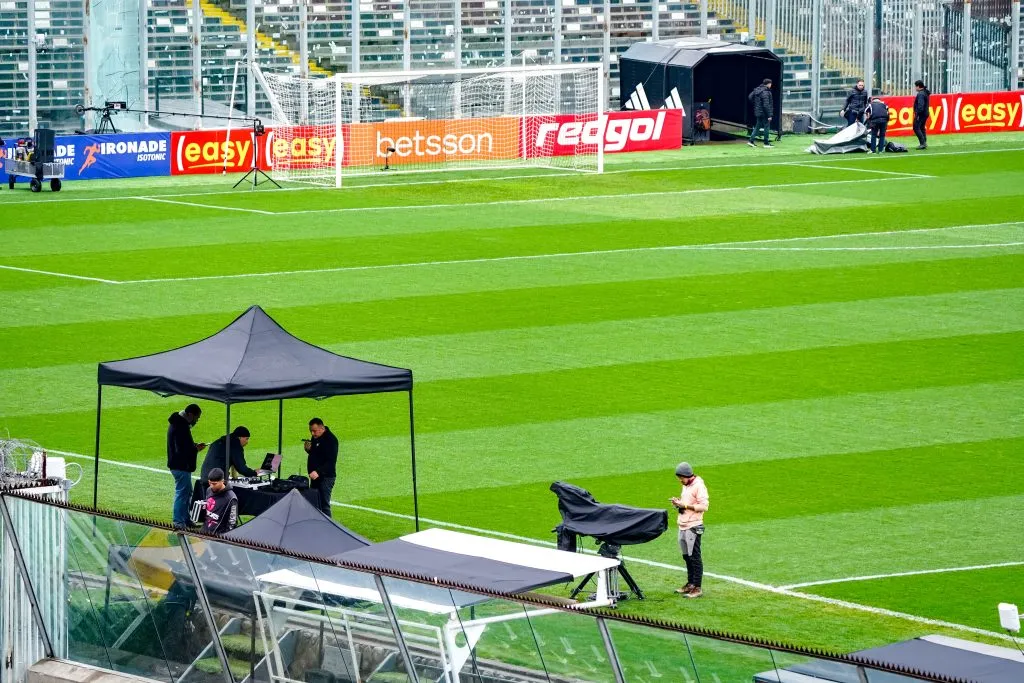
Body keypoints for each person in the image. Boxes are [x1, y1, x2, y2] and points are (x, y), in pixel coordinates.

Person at [670, 462, 709, 598]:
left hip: (693, 526)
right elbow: (686, 503)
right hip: (683, 524)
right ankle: (690, 584)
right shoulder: (686, 486)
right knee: (687, 557)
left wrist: (685, 505)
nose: (680, 480)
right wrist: (678, 503)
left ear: (686, 475)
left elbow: (704, 506)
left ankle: (697, 587)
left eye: (681, 477)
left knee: (695, 557)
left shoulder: (699, 486)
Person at [167, 404, 207, 529]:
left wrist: (194, 446)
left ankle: (185, 519)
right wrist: (195, 448)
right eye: (197, 417)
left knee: (186, 492)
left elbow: (181, 445)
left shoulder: (177, 424)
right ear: (190, 415)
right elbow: (182, 449)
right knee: (182, 493)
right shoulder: (181, 427)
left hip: (178, 465)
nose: (197, 421)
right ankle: (179, 522)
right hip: (180, 466)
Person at [304, 417, 339, 516]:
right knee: (314, 503)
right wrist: (309, 450)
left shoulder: (331, 440)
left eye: (314, 431)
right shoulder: (315, 437)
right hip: (315, 477)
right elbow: (317, 454)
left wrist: (318, 472)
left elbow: (330, 462)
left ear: (322, 428)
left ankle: (329, 529)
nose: (312, 434)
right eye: (311, 431)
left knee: (324, 505)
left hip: (326, 478)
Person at [202, 468, 238, 534]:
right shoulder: (209, 490)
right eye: (210, 483)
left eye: (214, 484)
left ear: (222, 481)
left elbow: (232, 522)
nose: (212, 486)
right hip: (205, 533)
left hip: (219, 536)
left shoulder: (231, 498)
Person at [747, 79, 774, 148]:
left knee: (757, 126)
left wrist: (756, 105)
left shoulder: (757, 90)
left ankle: (751, 141)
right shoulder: (766, 92)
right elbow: (766, 105)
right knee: (766, 127)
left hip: (758, 112)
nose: (771, 85)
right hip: (764, 113)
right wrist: (769, 115)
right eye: (770, 84)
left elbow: (750, 97)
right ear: (768, 84)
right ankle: (766, 143)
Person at [913, 80, 930, 150]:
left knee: (916, 127)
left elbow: (920, 106)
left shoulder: (920, 94)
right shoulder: (925, 92)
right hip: (925, 113)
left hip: (921, 113)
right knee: (922, 127)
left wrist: (917, 114)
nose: (915, 88)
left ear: (918, 86)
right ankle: (924, 142)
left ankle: (922, 143)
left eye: (915, 86)